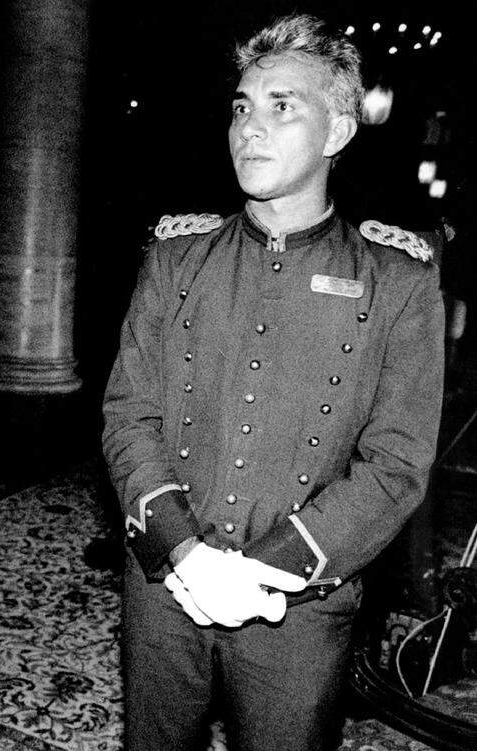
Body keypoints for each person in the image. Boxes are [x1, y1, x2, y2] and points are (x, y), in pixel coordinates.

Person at [101, 14, 444, 751]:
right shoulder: (176, 257)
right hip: (165, 585)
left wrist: (264, 568)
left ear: (339, 131)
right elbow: (129, 413)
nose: (250, 128)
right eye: (242, 106)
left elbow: (395, 465)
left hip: (300, 603)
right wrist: (187, 554)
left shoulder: (397, 280)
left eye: (282, 106)